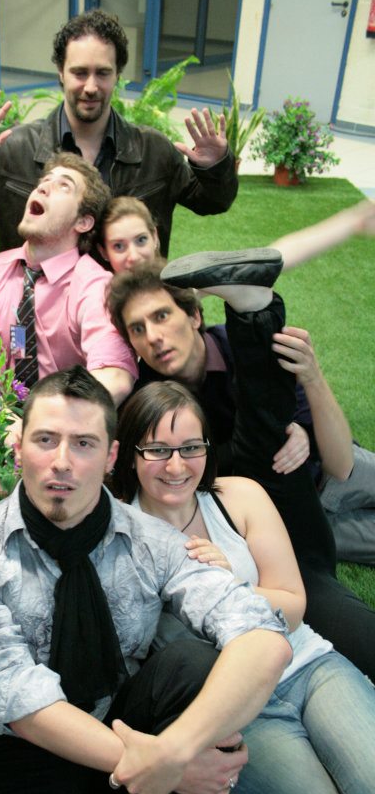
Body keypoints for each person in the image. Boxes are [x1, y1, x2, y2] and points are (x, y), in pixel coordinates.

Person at [0, 366, 291, 794]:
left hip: (122, 713)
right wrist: (165, 766)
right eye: (46, 439)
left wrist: (173, 751)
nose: (62, 462)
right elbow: (16, 698)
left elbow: (263, 638)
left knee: (194, 667)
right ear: (19, 446)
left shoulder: (154, 541)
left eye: (83, 444)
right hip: (25, 747)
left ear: (111, 456)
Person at [111, 379, 375, 794]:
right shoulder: (117, 534)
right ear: (130, 454)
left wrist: (230, 582)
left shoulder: (239, 497)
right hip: (236, 713)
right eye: (157, 450)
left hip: (309, 669)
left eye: (191, 447)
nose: (176, 466)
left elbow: (294, 602)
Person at [101, 196, 375, 564]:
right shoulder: (148, 399)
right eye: (137, 329)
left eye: (162, 316)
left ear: (194, 317)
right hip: (287, 504)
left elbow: (340, 465)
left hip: (329, 468)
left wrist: (308, 401)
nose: (153, 337)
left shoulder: (244, 350)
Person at [0, 9, 238, 256]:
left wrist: (215, 167)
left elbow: (213, 203)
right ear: (61, 74)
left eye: (102, 73)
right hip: (40, 306)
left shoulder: (153, 151)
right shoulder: (15, 149)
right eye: (79, 72)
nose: (91, 87)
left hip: (125, 308)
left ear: (117, 75)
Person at [0, 152, 137, 409]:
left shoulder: (96, 286)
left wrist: (47, 423)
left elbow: (114, 376)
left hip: (67, 422)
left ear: (83, 221)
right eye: (44, 181)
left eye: (64, 185)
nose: (43, 188)